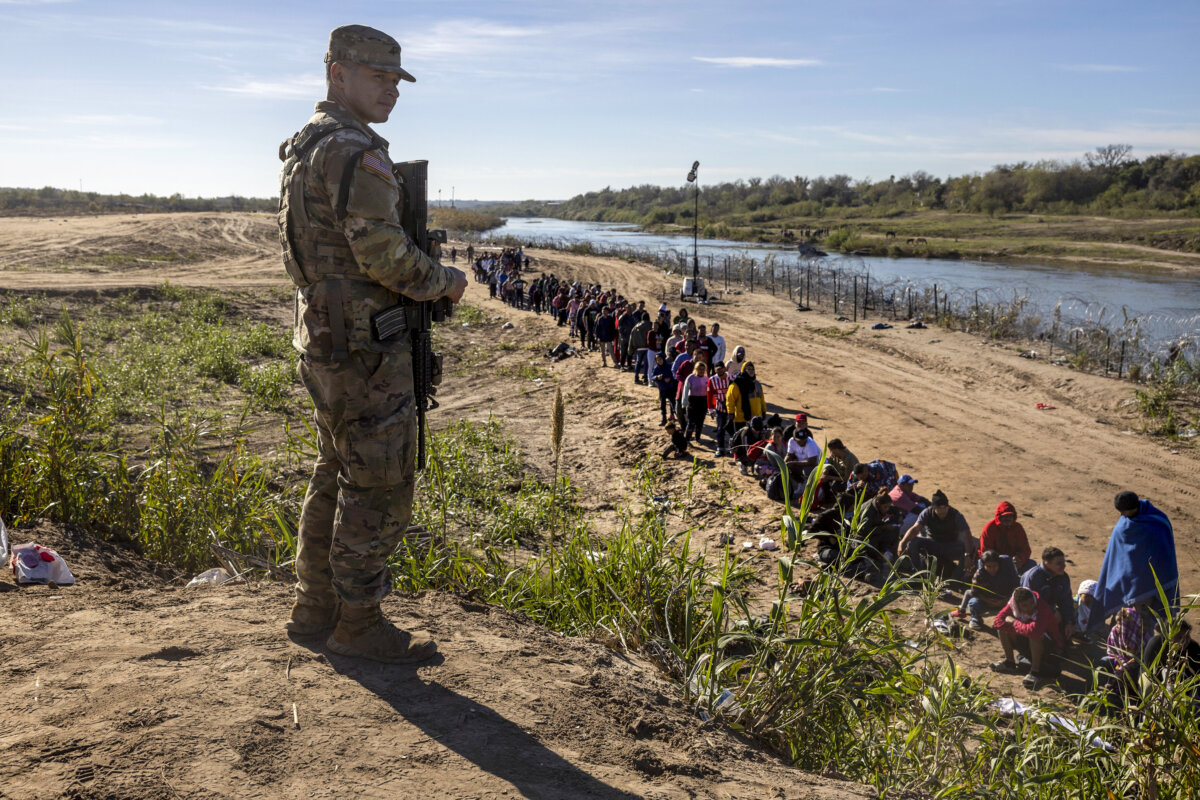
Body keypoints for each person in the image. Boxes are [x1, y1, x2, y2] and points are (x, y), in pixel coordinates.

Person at [280, 25, 467, 664]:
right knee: (380, 480)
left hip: (326, 336)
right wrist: (446, 281)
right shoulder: (357, 153)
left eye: (397, 79)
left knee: (335, 467)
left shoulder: (308, 147)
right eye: (378, 76)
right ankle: (358, 622)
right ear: (337, 74)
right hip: (364, 346)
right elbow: (385, 255)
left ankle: (315, 607)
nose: (392, 89)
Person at [1093, 491, 1178, 624]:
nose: (1121, 515)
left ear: (1131, 509)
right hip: (1129, 582)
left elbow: (1163, 553)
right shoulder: (1158, 519)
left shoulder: (1151, 524)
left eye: (1122, 511)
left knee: (1142, 622)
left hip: (1147, 584)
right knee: (1123, 619)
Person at [898, 490, 974, 589]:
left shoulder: (956, 515)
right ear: (934, 508)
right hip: (932, 545)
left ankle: (956, 580)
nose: (943, 510)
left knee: (969, 549)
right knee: (913, 542)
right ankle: (917, 575)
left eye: (945, 507)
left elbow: (967, 536)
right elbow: (915, 528)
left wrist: (968, 556)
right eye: (939, 508)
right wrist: (902, 543)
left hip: (950, 546)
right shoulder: (927, 513)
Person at [992, 586, 1064, 689]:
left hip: (1049, 646)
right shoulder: (1012, 604)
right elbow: (997, 622)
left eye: (1031, 603)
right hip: (1027, 639)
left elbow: (1035, 632)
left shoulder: (1042, 608)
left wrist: (1014, 622)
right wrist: (1017, 625)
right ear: (1017, 605)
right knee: (1003, 627)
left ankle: (1035, 671)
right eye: (1024, 605)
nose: (1029, 608)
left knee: (1034, 634)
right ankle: (1010, 661)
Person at [953, 550, 1019, 631]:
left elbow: (1016, 587)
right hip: (987, 601)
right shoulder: (979, 575)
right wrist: (989, 601)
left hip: (1006, 601)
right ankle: (975, 618)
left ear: (999, 564)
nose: (992, 569)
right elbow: (975, 592)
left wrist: (1007, 600)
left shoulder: (1007, 572)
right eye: (989, 566)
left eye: (995, 566)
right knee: (973, 603)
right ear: (984, 565)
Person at [1021, 546, 1078, 641]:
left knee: (1071, 616)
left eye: (1064, 562)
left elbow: (1066, 601)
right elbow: (1028, 602)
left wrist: (1069, 622)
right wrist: (1051, 611)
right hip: (1029, 611)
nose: (1063, 566)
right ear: (1047, 564)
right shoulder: (1034, 577)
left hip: (1050, 611)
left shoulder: (1063, 577)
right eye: (1059, 564)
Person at [977, 501, 1034, 574]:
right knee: (981, 563)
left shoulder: (1018, 528)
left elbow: (1025, 549)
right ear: (999, 517)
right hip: (993, 562)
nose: (1007, 518)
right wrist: (1000, 562)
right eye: (1004, 516)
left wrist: (1020, 559)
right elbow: (985, 552)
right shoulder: (990, 528)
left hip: (1013, 563)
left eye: (1010, 516)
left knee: (1031, 564)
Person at [726, 361, 765, 431]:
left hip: (756, 418)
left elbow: (761, 399)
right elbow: (730, 399)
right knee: (741, 440)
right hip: (741, 419)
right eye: (748, 369)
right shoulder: (736, 384)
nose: (751, 371)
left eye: (752, 369)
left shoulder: (757, 384)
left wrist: (764, 411)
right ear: (743, 370)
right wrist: (730, 412)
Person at [707, 360, 732, 457]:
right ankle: (720, 449)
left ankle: (733, 448)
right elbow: (710, 394)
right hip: (720, 408)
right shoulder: (712, 380)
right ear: (715, 370)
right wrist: (710, 409)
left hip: (731, 408)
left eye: (721, 369)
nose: (719, 371)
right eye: (717, 370)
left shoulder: (731, 377)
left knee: (732, 429)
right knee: (720, 429)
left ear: (724, 368)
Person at [683, 361, 710, 442]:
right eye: (699, 369)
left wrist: (710, 405)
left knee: (700, 422)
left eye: (703, 369)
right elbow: (685, 391)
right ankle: (687, 439)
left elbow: (709, 392)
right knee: (691, 422)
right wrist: (684, 404)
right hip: (692, 401)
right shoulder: (690, 378)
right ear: (695, 369)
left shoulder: (707, 379)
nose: (701, 371)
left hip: (703, 401)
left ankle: (698, 438)